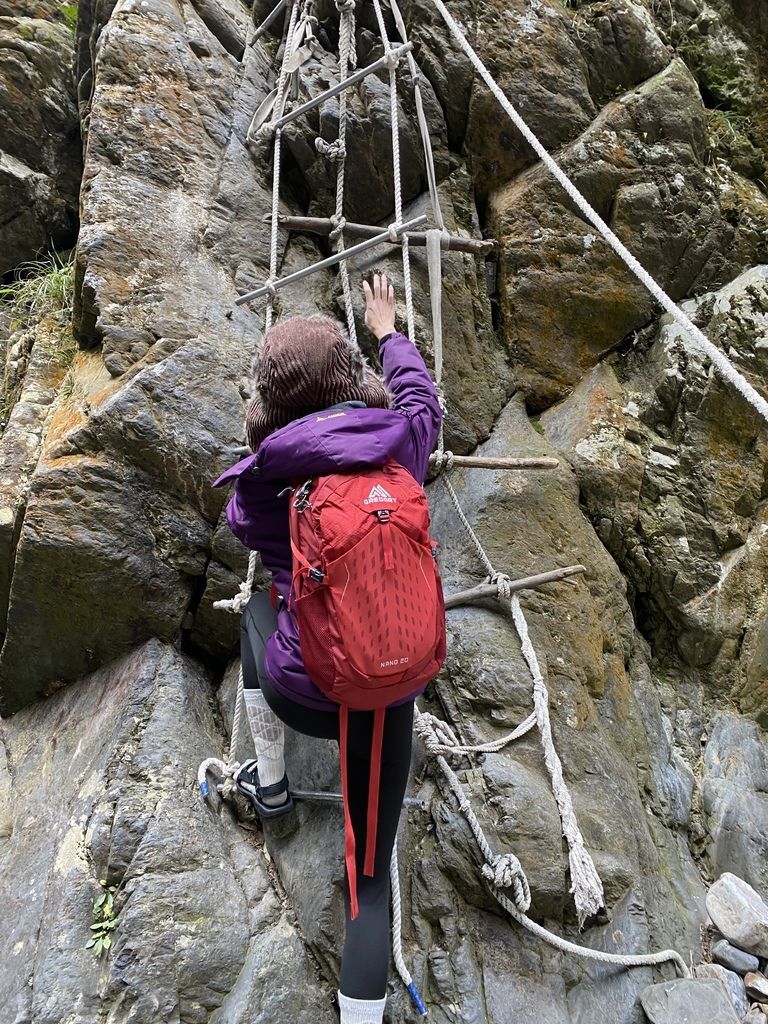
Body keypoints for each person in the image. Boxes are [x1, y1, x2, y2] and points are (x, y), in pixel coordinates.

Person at [211, 274, 442, 1024]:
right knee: (368, 882)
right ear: (353, 378)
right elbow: (422, 404)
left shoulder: (262, 479)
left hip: (302, 686)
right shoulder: (402, 444)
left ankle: (272, 786)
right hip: (386, 683)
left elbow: (245, 531)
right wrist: (388, 330)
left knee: (256, 608)